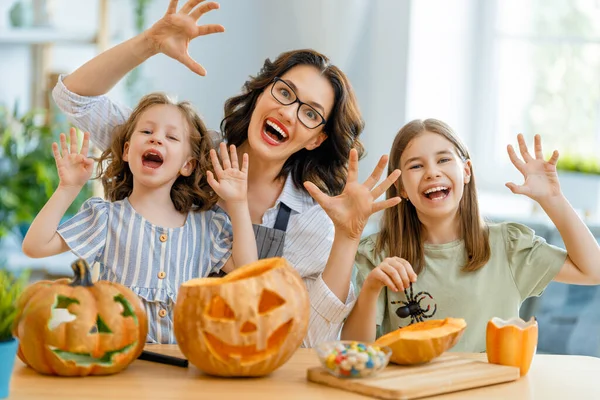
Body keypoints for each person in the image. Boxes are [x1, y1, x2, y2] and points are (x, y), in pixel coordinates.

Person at [51, 0, 401, 346]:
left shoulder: (310, 218)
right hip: (142, 354)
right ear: (262, 91)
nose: (289, 113)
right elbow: (74, 98)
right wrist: (150, 43)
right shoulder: (185, 150)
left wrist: (347, 237)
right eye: (284, 93)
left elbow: (311, 339)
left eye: (310, 113)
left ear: (316, 139)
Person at [342, 118, 600, 352]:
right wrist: (372, 288)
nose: (432, 172)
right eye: (417, 166)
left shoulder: (508, 247)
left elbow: (593, 271)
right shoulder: (378, 253)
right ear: (401, 187)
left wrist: (553, 199)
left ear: (466, 171)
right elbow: (353, 349)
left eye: (443, 160)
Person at [22, 92, 257, 344]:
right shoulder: (105, 218)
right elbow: (35, 246)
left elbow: (249, 274)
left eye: (172, 137)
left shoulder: (207, 227)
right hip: (119, 362)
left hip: (185, 369)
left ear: (187, 165)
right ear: (126, 151)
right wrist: (67, 189)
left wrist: (239, 203)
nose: (156, 138)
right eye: (146, 132)